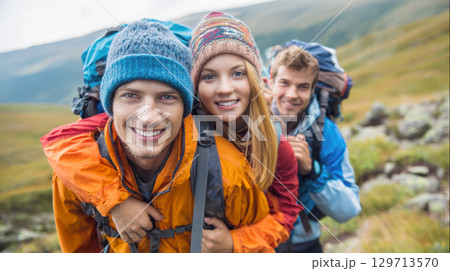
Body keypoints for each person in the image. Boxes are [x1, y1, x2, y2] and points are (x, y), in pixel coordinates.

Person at [41, 21, 271, 253]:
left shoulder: (229, 170)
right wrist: (111, 201)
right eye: (131, 96)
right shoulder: (72, 178)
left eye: (167, 97)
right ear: (110, 105)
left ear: (186, 108)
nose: (148, 117)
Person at [188, 11, 302, 252]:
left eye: (237, 73)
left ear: (253, 79)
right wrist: (119, 204)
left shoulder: (274, 143)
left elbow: (287, 213)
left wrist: (234, 243)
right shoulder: (184, 127)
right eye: (209, 76)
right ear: (195, 88)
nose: (225, 88)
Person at [268, 44, 361, 253]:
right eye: (284, 83)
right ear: (271, 82)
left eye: (302, 87)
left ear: (312, 90)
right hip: (254, 239)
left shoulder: (327, 133)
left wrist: (312, 170)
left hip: (303, 242)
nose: (292, 94)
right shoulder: (248, 120)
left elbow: (349, 210)